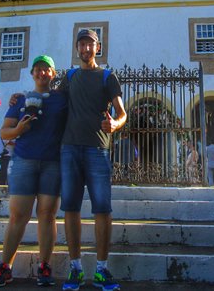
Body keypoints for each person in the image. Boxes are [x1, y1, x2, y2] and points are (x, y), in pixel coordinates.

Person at [0, 55, 67, 288]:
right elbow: (4, 132)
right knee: (18, 215)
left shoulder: (62, 100)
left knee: (47, 215)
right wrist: (19, 128)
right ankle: (5, 266)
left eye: (47, 70)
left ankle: (44, 265)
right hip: (24, 162)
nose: (42, 73)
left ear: (53, 74)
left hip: (52, 163)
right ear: (32, 73)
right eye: (38, 69)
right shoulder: (20, 100)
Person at [59, 29, 127, 291]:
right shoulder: (70, 76)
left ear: (98, 48)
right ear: (77, 48)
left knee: (102, 209)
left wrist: (115, 124)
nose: (86, 48)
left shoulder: (108, 77)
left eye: (90, 44)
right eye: (82, 44)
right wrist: (22, 98)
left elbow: (122, 113)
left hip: (97, 149)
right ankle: (75, 268)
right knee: (71, 208)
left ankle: (101, 269)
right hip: (69, 148)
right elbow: (55, 105)